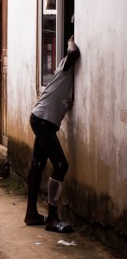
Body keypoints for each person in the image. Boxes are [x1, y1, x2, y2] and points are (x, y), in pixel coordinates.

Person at [24, 35, 80, 233]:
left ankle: (31, 214)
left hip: (41, 119)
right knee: (60, 165)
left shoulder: (70, 75)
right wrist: (71, 39)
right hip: (42, 121)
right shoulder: (66, 64)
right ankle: (53, 219)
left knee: (38, 164)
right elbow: (73, 52)